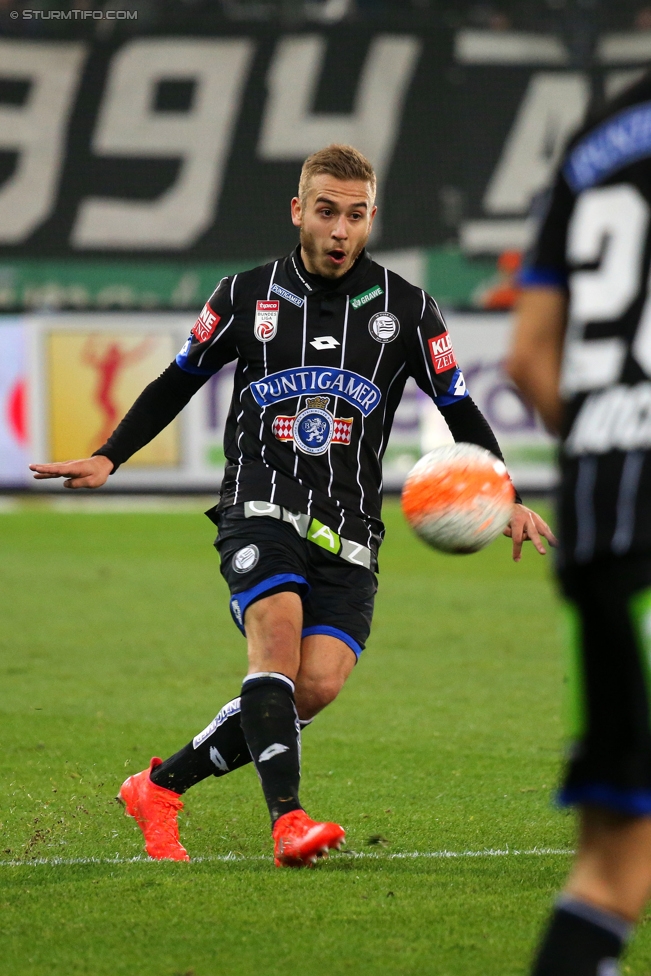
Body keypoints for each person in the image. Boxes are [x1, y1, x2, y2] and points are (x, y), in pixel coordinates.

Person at [31, 144, 554, 868]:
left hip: (350, 526)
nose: (340, 230)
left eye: (356, 215)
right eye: (327, 211)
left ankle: (158, 787)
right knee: (273, 643)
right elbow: (178, 380)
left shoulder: (408, 309)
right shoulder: (246, 294)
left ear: (371, 219)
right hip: (259, 503)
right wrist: (110, 454)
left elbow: (459, 407)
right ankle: (288, 821)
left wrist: (510, 495)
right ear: (298, 211)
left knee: (312, 687)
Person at [508, 72, 651, 976]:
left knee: (609, 865)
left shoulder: (595, 139)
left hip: (603, 518)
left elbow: (526, 357)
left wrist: (607, 441)